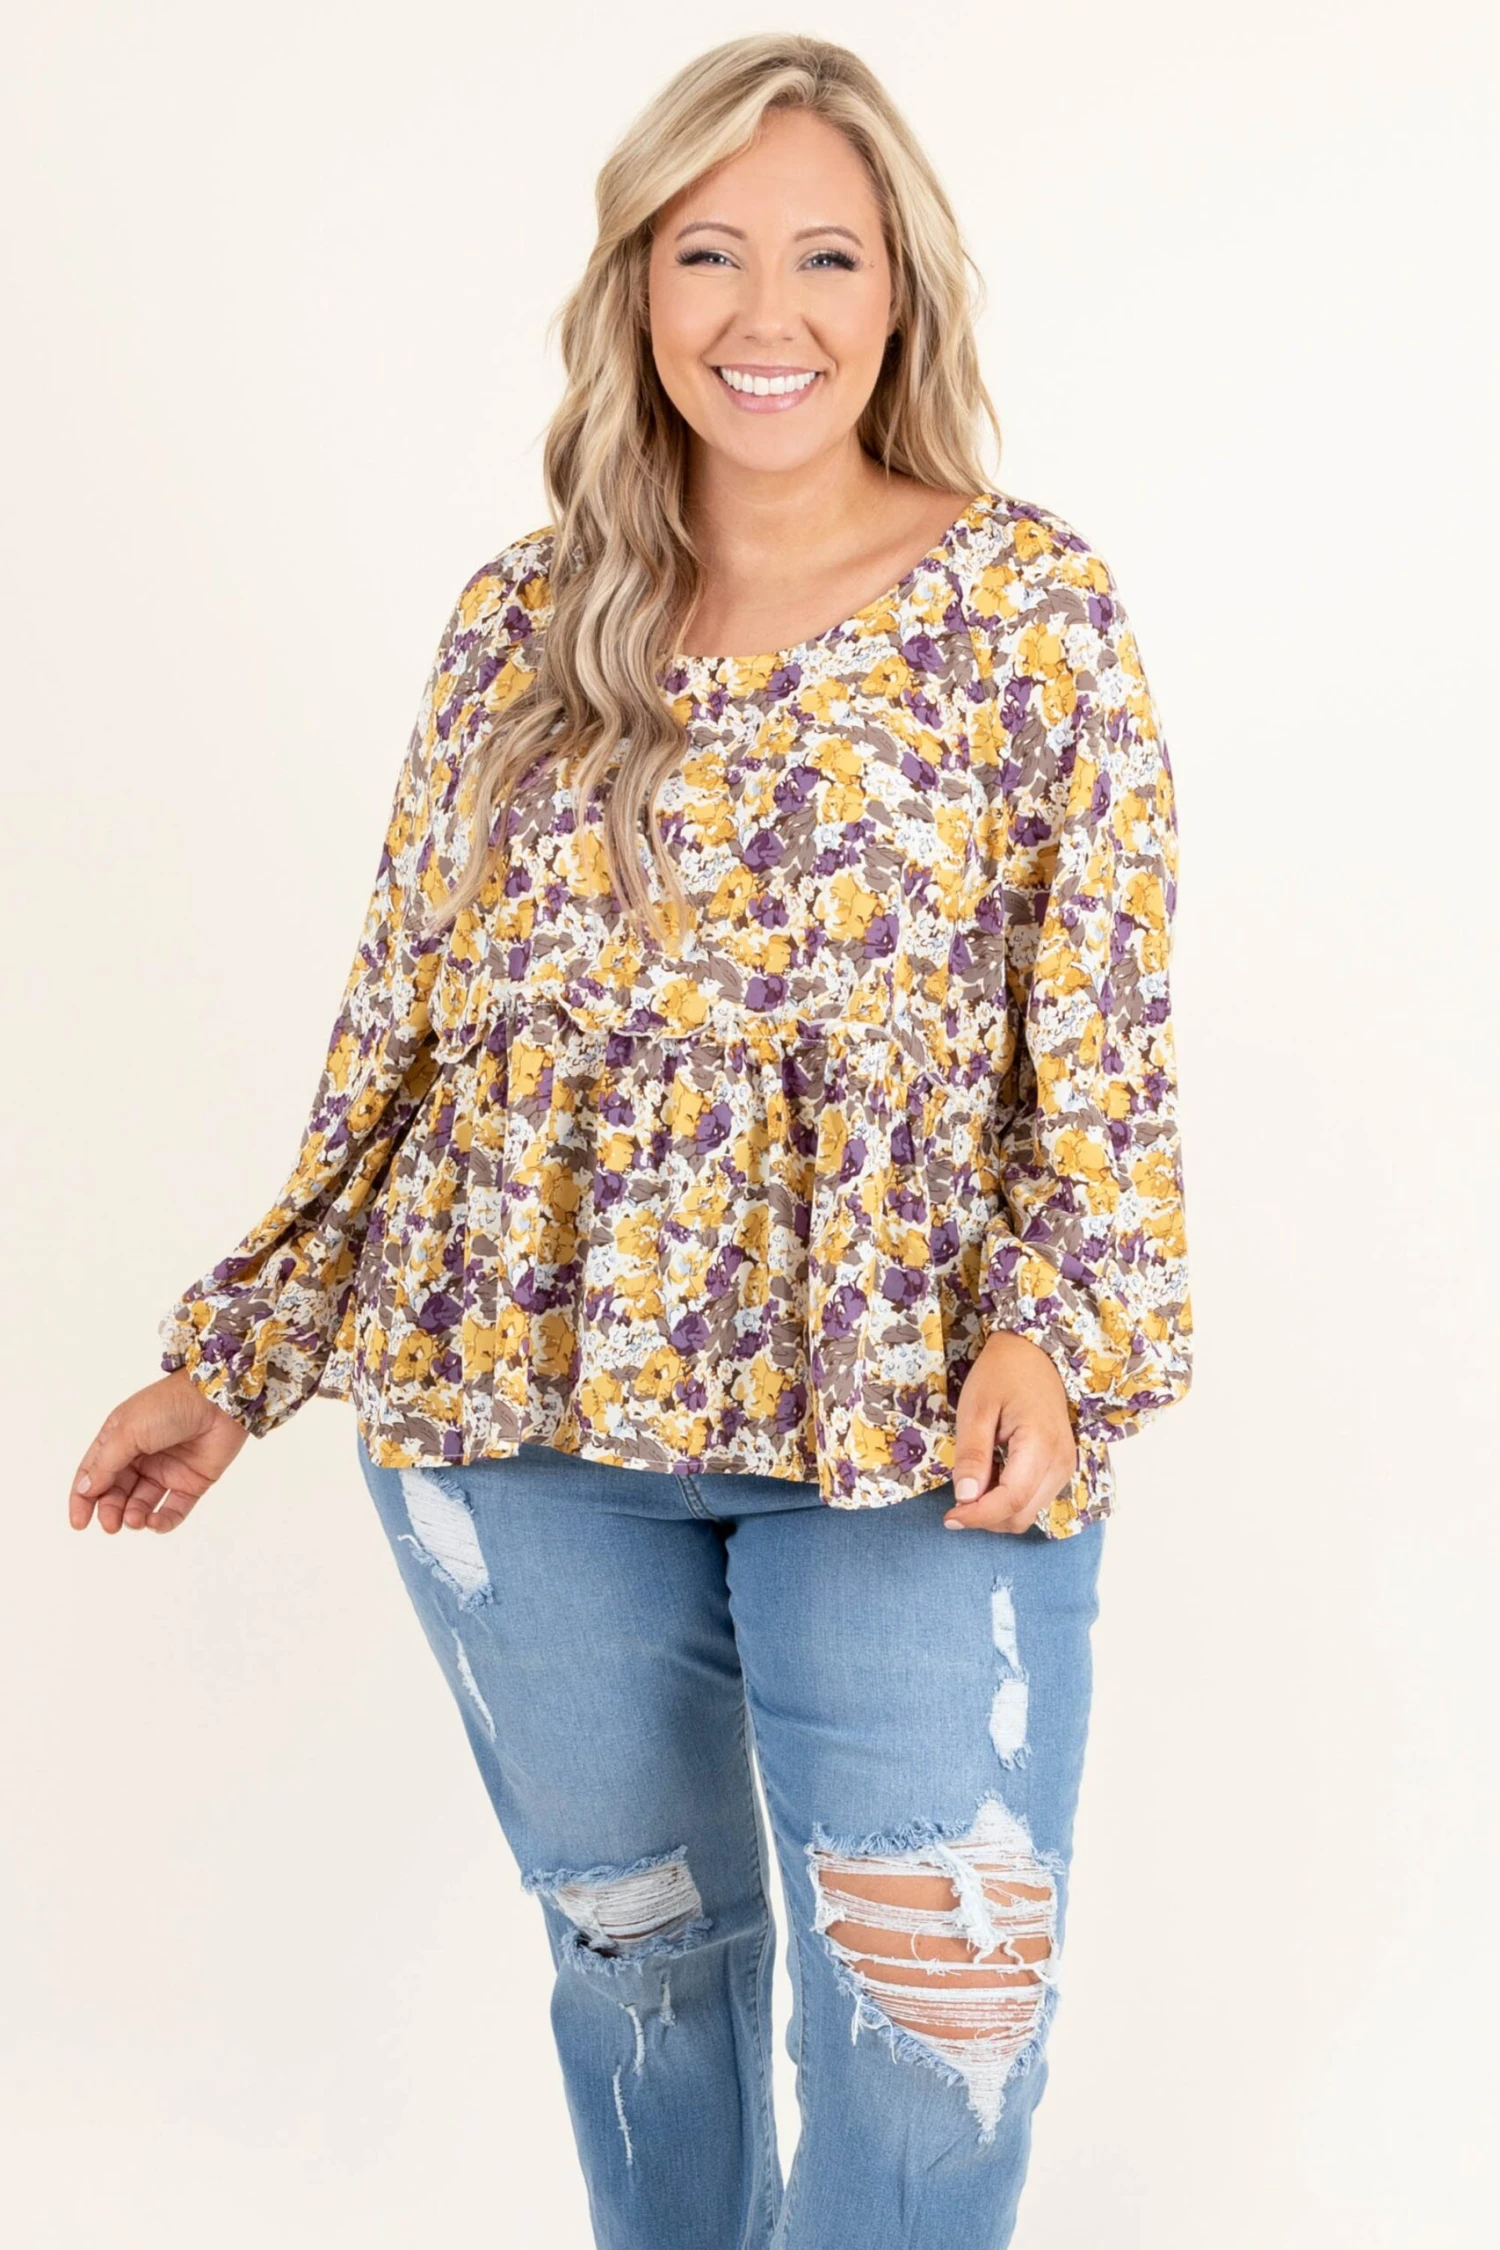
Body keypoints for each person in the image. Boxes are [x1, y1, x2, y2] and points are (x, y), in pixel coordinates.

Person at [69, 33, 1193, 2249]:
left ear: (901, 291)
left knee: (936, 2030)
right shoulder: (523, 619)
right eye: (708, 253)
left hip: (905, 1424)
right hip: (520, 1421)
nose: (766, 313)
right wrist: (241, 1356)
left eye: (826, 256)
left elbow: (1105, 1045)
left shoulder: (1031, 612)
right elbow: (406, 1037)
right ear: (637, 288)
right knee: (644, 1982)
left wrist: (1055, 1327)